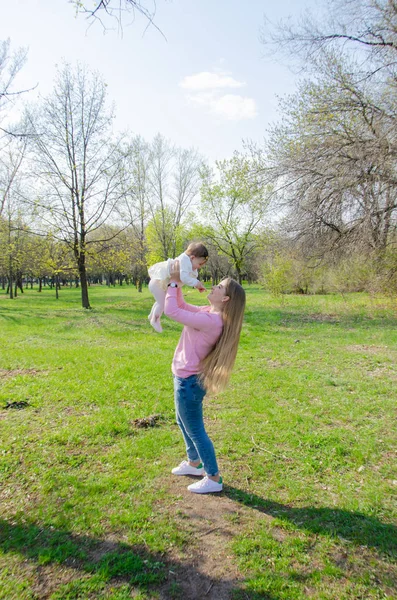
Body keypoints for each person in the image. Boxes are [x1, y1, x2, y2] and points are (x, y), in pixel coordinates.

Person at [164, 262, 246, 494]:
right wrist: (178, 283)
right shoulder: (208, 312)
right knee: (183, 422)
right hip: (184, 378)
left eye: (219, 287)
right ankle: (194, 463)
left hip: (188, 382)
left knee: (196, 431)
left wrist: (171, 282)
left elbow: (172, 312)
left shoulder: (212, 321)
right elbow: (179, 304)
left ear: (226, 299)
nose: (213, 287)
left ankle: (213, 478)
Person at [147, 242, 209, 333]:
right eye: (199, 264)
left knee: (161, 301)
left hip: (159, 284)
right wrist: (196, 283)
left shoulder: (188, 263)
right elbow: (184, 278)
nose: (199, 267)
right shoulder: (184, 260)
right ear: (192, 258)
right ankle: (155, 319)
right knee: (164, 304)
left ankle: (151, 316)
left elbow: (190, 276)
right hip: (157, 283)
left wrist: (197, 285)